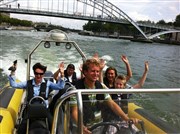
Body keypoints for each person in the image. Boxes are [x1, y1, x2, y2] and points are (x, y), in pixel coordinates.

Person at [70, 58, 138, 134]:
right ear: (85, 72)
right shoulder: (76, 90)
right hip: (82, 127)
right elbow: (75, 111)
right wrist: (81, 127)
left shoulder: (101, 87)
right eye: (93, 71)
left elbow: (112, 104)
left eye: (97, 71)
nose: (96, 74)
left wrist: (126, 119)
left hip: (99, 126)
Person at [8, 61, 65, 133]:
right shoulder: (28, 83)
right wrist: (13, 72)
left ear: (43, 74)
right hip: (30, 110)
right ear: (34, 73)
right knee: (21, 130)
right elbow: (14, 85)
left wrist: (62, 74)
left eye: (41, 74)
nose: (38, 76)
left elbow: (60, 86)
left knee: (55, 128)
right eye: (36, 73)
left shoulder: (48, 83)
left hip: (44, 110)